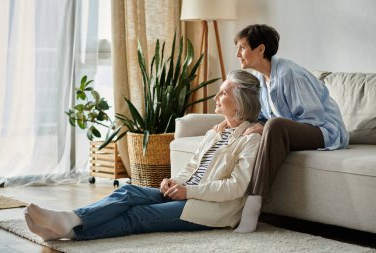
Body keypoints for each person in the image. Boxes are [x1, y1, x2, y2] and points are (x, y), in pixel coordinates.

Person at [23, 70, 263, 241]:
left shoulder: (250, 139)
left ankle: (69, 230)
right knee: (128, 191)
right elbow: (191, 166)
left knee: (139, 215)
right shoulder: (215, 131)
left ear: (240, 101)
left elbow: (235, 187)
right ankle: (70, 219)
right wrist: (175, 181)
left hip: (209, 209)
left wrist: (188, 191)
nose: (215, 97)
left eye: (222, 93)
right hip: (184, 193)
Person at [233, 24, 349, 205]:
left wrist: (266, 127)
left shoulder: (289, 74)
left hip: (324, 131)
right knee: (251, 127)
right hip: (295, 129)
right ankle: (227, 196)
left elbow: (313, 118)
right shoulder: (262, 79)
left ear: (261, 49)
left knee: (273, 126)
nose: (237, 54)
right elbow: (262, 116)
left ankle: (253, 205)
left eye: (242, 47)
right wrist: (234, 122)